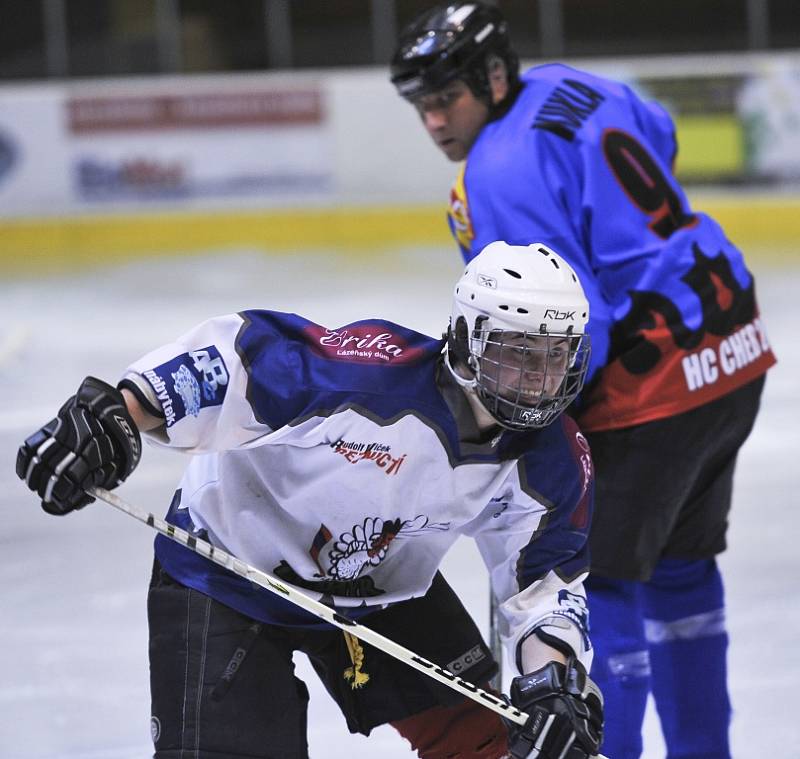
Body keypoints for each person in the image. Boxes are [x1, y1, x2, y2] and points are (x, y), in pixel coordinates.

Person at [17, 241, 603, 759]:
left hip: (377, 584)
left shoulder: (550, 458)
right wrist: (125, 410)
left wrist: (553, 685)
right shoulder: (363, 380)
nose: (538, 379)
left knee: (493, 744)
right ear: (469, 340)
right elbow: (235, 362)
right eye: (519, 352)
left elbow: (544, 588)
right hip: (229, 571)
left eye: (556, 356)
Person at [390, 6, 777, 759]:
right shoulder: (571, 83)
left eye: (447, 99)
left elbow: (571, 324)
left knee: (597, 591)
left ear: (492, 77)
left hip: (655, 383)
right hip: (730, 342)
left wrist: (524, 430)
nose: (435, 119)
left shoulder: (496, 172)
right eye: (421, 105)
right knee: (683, 570)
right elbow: (657, 131)